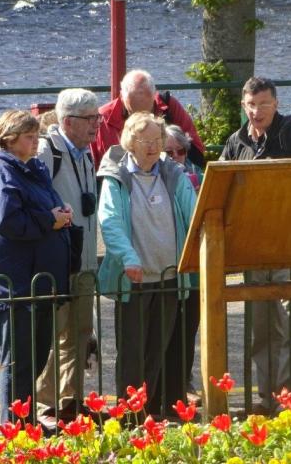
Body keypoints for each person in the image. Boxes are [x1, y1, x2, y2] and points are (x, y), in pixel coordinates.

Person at [220, 76, 291, 415]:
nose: (256, 111)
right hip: (254, 245)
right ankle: (265, 399)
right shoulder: (236, 142)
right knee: (262, 327)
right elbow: (222, 188)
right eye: (250, 104)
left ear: (276, 104)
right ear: (243, 105)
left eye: (263, 104)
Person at [0, 110, 72, 424]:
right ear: (10, 139)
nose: (36, 143)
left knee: (35, 357)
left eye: (36, 136)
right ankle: (14, 427)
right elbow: (7, 221)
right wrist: (50, 219)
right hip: (17, 282)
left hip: (38, 280)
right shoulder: (0, 173)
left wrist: (60, 211)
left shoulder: (33, 169)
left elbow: (42, 205)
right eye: (29, 137)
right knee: (18, 362)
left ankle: (26, 423)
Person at [97, 112, 196, 416]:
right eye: (146, 141)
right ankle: (129, 417)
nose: (153, 147)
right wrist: (128, 258)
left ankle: (150, 413)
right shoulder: (116, 176)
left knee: (158, 350)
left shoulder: (173, 174)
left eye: (158, 140)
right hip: (135, 279)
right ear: (130, 141)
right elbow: (110, 221)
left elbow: (194, 214)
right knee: (132, 355)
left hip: (169, 275)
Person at [36, 89, 99, 427]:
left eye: (98, 118)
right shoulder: (48, 152)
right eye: (91, 119)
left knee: (79, 333)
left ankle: (70, 401)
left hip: (85, 257)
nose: (97, 125)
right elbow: (36, 198)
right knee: (56, 336)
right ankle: (46, 405)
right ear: (69, 121)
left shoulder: (85, 153)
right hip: (60, 260)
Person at [92, 69, 205, 171]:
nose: (140, 120)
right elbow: (92, 165)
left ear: (154, 96)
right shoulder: (102, 118)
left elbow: (197, 153)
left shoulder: (169, 106)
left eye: (147, 113)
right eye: (133, 113)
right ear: (122, 96)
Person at [163, 124, 203, 404]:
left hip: (193, 267)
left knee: (188, 327)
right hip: (165, 263)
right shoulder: (156, 176)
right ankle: (163, 386)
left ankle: (184, 382)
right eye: (169, 151)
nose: (177, 156)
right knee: (165, 327)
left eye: (182, 151)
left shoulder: (199, 176)